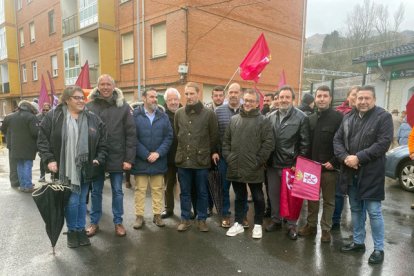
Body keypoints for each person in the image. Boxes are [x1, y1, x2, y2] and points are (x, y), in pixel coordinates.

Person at [37, 86, 107, 248]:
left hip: (86, 167)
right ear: (67, 100)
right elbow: (42, 141)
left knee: (82, 200)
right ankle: (73, 231)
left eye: (82, 97)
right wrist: (49, 160)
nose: (81, 100)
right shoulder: (53, 116)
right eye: (77, 97)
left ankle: (80, 230)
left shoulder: (92, 118)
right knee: (72, 200)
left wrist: (98, 158)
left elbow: (103, 141)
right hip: (64, 168)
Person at [334, 85, 392, 265]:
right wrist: (345, 158)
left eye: (367, 98)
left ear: (374, 99)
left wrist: (358, 157)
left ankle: (378, 249)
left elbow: (383, 143)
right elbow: (337, 140)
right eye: (360, 98)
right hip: (350, 172)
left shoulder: (383, 117)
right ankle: (358, 242)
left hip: (371, 173)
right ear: (355, 99)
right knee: (356, 209)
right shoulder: (348, 117)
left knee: (374, 212)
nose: (363, 101)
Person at [86, 74, 136, 237]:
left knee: (117, 191)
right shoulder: (90, 106)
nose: (105, 87)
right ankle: (94, 223)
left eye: (108, 84)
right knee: (96, 192)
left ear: (114, 87)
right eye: (102, 84)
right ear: (98, 86)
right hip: (96, 156)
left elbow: (130, 133)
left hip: (117, 155)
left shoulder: (123, 106)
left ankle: (118, 222)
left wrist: (129, 159)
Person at [223, 89, 274, 239]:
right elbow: (226, 142)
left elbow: (268, 144)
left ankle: (257, 224)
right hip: (236, 165)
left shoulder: (263, 121)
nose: (248, 103)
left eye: (251, 100)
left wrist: (258, 161)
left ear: (257, 103)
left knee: (258, 196)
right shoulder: (234, 120)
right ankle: (238, 223)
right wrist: (229, 158)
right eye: (246, 100)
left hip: (254, 167)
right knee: (239, 196)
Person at [298, 85, 342, 243]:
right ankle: (311, 226)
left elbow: (342, 143)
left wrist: (334, 161)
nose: (322, 99)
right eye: (319, 96)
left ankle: (326, 229)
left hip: (330, 168)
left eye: (325, 96)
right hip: (311, 167)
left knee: (329, 201)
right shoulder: (310, 119)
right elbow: (305, 144)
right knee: (311, 199)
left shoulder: (338, 118)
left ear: (330, 99)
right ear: (315, 99)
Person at [266, 85, 310, 240]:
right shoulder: (270, 117)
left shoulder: (301, 117)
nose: (283, 100)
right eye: (281, 97)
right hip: (272, 164)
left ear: (293, 99)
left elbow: (305, 143)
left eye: (287, 97)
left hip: (290, 165)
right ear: (277, 99)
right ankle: (276, 219)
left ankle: (292, 225)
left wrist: (299, 162)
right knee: (274, 195)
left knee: (292, 197)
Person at [174, 82, 219, 232]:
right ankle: (185, 219)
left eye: (191, 93)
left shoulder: (209, 114)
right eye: (186, 94)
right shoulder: (179, 113)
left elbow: (214, 136)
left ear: (198, 94)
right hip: (183, 161)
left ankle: (202, 220)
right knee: (184, 192)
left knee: (202, 192)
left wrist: (212, 152)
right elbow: (177, 133)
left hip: (201, 161)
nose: (189, 97)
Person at [131, 88, 173, 229]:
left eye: (156, 97)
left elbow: (169, 137)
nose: (155, 99)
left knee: (158, 189)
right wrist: (146, 154)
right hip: (141, 160)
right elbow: (132, 138)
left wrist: (158, 153)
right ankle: (139, 216)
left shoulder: (163, 116)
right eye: (151, 97)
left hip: (158, 160)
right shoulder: (135, 116)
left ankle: (157, 215)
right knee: (140, 190)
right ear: (144, 98)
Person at [214, 83, 247, 228]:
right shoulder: (219, 111)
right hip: (223, 158)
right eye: (231, 92)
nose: (233, 95)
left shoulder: (247, 111)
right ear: (227, 94)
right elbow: (214, 134)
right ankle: (225, 215)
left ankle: (242, 216)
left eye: (236, 92)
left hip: (242, 159)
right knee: (224, 188)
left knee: (241, 189)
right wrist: (214, 151)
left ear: (241, 94)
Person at [332, 85, 359, 230]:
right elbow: (336, 138)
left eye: (358, 95)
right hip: (340, 160)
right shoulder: (339, 114)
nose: (356, 98)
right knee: (338, 194)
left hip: (358, 161)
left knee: (356, 197)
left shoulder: (366, 115)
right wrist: (343, 157)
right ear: (348, 97)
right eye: (353, 95)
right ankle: (335, 220)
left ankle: (357, 228)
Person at [1, 100, 38, 192]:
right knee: (27, 165)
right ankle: (28, 186)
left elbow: (3, 129)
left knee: (20, 165)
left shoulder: (10, 116)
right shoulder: (31, 117)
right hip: (28, 146)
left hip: (14, 145)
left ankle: (22, 185)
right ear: (29, 107)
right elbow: (35, 133)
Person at [161, 88, 182, 218]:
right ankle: (168, 209)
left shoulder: (185, 112)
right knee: (168, 185)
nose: (173, 102)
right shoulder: (161, 115)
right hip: (168, 157)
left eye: (175, 99)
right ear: (166, 101)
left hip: (184, 157)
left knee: (185, 186)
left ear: (179, 100)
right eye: (170, 100)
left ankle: (186, 209)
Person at [1, 108, 20, 188]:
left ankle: (14, 182)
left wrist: (8, 135)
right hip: (22, 143)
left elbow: (2, 129)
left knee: (13, 163)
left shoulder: (8, 117)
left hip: (11, 143)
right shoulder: (25, 116)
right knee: (23, 163)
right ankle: (21, 180)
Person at [37, 103, 52, 182]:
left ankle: (53, 176)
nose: (45, 111)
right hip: (42, 141)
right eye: (44, 110)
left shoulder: (53, 116)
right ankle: (42, 176)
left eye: (47, 110)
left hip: (52, 142)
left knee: (52, 159)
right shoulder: (38, 117)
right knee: (42, 160)